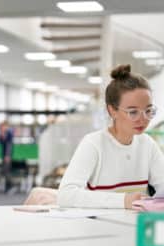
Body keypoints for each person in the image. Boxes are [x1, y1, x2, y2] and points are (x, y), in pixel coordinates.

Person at [24, 64, 164, 209]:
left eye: (148, 110)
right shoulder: (94, 143)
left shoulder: (147, 144)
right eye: (133, 112)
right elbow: (66, 195)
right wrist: (124, 201)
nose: (143, 119)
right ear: (112, 110)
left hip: (137, 226)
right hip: (98, 227)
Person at [0, 120, 14, 192]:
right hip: (4, 154)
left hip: (7, 155)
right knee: (5, 171)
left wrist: (7, 155)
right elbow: (1, 142)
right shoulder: (3, 134)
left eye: (3, 127)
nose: (2, 128)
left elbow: (9, 145)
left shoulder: (9, 133)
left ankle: (10, 186)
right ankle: (7, 187)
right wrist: (2, 134)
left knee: (7, 171)